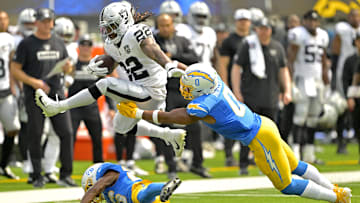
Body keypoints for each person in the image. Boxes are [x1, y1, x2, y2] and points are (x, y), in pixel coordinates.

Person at [117, 63, 352, 203]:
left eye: (189, 87)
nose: (185, 89)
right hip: (265, 125)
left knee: (286, 185)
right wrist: (175, 67)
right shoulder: (214, 81)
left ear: (201, 89)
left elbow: (175, 117)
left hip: (259, 138)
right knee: (296, 165)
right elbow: (195, 72)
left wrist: (139, 114)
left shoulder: (204, 104)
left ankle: (336, 197)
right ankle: (335, 190)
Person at [34, 2, 187, 158]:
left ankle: (58, 106)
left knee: (105, 84)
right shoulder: (110, 44)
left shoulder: (136, 32)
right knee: (120, 126)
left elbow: (152, 48)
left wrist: (168, 64)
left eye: (112, 26)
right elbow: (116, 61)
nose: (109, 31)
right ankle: (169, 135)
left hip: (152, 91)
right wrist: (101, 65)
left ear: (125, 21)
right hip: (139, 90)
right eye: (106, 27)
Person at [11, 8, 76, 188]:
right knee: (36, 134)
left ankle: (66, 174)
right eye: (44, 21)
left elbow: (67, 66)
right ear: (37, 22)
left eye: (50, 21)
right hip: (35, 94)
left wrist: (67, 68)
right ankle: (37, 174)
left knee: (67, 133)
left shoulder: (58, 42)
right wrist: (34, 82)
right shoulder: (27, 43)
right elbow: (15, 69)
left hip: (56, 93)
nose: (48, 24)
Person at [231, 17, 292, 175]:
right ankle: (243, 164)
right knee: (247, 131)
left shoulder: (277, 47)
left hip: (270, 96)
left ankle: (269, 165)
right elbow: (236, 68)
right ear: (256, 29)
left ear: (271, 30)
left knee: (270, 133)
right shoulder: (248, 45)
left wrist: (287, 90)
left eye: (267, 29)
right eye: (261, 28)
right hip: (251, 96)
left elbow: (283, 70)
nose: (264, 32)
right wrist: (236, 91)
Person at [155, 13, 210, 178]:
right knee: (167, 127)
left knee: (195, 126)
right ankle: (171, 166)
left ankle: (197, 164)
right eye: (161, 25)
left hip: (184, 90)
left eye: (167, 25)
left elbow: (195, 58)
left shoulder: (182, 40)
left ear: (173, 25)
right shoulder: (154, 42)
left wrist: (174, 58)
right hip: (165, 90)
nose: (165, 28)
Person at [287, 10, 329, 163]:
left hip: (317, 81)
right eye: (309, 20)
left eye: (315, 21)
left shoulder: (323, 36)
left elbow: (324, 60)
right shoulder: (298, 34)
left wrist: (326, 82)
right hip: (302, 79)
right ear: (304, 21)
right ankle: (295, 153)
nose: (312, 23)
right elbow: (290, 59)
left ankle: (309, 154)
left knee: (313, 119)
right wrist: (290, 82)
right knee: (300, 117)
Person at [219, 8, 252, 168]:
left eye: (246, 20)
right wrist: (225, 85)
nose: (243, 23)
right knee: (231, 121)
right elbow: (223, 64)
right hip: (233, 85)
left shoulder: (254, 40)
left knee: (248, 121)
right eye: (241, 20)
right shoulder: (230, 41)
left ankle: (249, 155)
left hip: (250, 85)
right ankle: (229, 154)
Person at [66, 34, 104, 163]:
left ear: (92, 48)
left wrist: (111, 105)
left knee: (97, 139)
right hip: (74, 108)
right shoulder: (72, 66)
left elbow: (106, 86)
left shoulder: (97, 66)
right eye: (83, 44)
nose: (86, 48)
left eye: (89, 45)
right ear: (79, 47)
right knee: (70, 139)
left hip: (91, 108)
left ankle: (99, 168)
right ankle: (66, 170)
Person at [331, 9, 360, 154]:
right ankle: (341, 141)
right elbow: (335, 52)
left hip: (358, 67)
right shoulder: (342, 29)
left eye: (357, 15)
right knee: (343, 108)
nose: (355, 18)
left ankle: (352, 136)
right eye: (352, 15)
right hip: (345, 69)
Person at [81, 162, 181, 203]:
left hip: (136, 189)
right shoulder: (108, 195)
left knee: (141, 196)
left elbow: (94, 190)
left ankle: (164, 187)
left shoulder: (109, 175)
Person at [0, 10, 21, 180]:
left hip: (6, 90)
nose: (2, 22)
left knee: (12, 129)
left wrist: (15, 86)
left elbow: (12, 63)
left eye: (5, 19)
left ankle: (3, 165)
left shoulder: (9, 39)